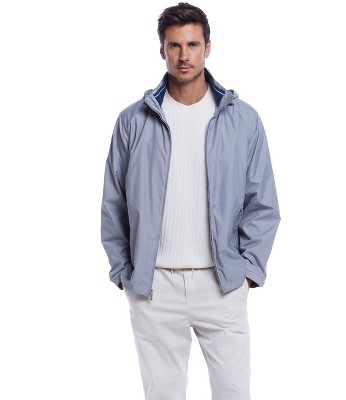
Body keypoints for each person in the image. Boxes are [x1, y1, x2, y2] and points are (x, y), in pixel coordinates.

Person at [101, 3, 280, 399]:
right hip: (154, 286)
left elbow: (262, 202)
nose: (184, 55)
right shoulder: (132, 120)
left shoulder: (243, 119)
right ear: (162, 50)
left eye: (193, 45)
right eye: (175, 46)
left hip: (222, 284)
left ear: (208, 48)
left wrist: (248, 272)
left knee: (233, 391)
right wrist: (124, 273)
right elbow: (114, 202)